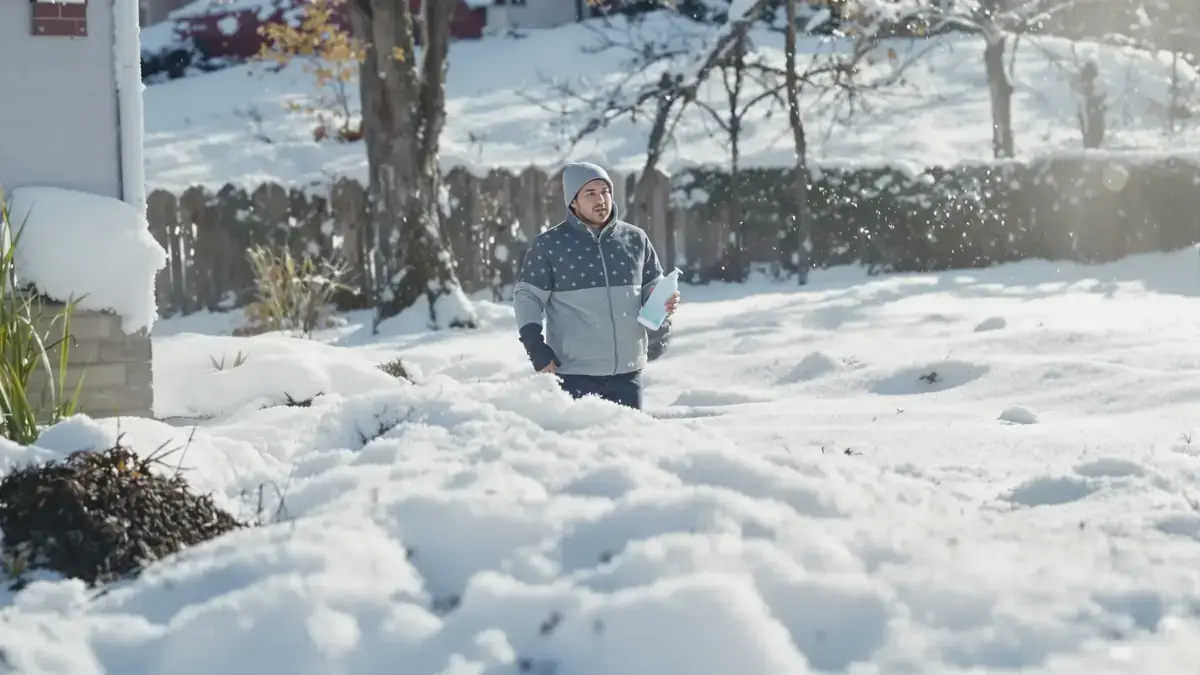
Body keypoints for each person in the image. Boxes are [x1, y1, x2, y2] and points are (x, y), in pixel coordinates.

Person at [513, 161, 680, 410]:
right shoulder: (549, 246)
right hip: (574, 373)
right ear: (573, 202)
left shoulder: (635, 239)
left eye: (605, 191)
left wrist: (661, 300)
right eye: (590, 193)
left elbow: (650, 286)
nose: (601, 199)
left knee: (630, 444)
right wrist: (535, 346)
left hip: (628, 372)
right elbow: (528, 297)